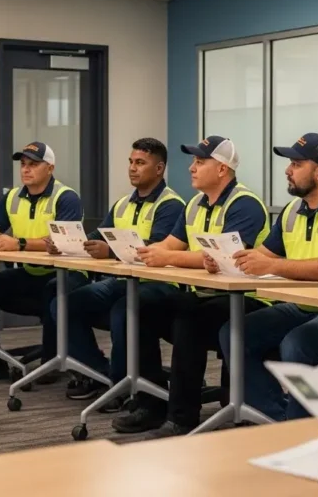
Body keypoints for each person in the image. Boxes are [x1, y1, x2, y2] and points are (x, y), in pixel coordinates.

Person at [110, 136, 270, 437]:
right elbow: (170, 244)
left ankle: (182, 418)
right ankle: (152, 402)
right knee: (139, 307)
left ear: (222, 169)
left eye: (200, 162)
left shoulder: (245, 205)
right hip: (205, 294)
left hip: (249, 299)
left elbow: (227, 258)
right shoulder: (195, 204)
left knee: (190, 321)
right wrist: (141, 253)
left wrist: (166, 256)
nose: (191, 168)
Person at [220, 133, 318, 422]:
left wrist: (274, 266)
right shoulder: (293, 210)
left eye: (296, 164)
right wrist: (226, 260)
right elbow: (264, 255)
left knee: (300, 342)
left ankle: (302, 428)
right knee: (235, 332)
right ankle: (277, 419)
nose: (287, 170)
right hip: (304, 305)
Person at [0, 142, 88, 383]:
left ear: (50, 168)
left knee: (54, 289)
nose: (25, 169)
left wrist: (19, 243)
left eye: (33, 164)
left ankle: (51, 362)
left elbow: (62, 241)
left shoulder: (67, 198)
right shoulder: (12, 197)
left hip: (68, 275)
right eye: (23, 164)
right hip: (34, 274)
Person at [59, 138, 184, 404]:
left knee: (123, 309)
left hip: (158, 285)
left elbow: (157, 249)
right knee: (68, 304)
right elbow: (98, 235)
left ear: (159, 168)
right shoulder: (122, 204)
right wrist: (67, 243)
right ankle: (99, 374)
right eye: (130, 162)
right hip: (123, 281)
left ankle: (121, 387)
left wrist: (109, 251)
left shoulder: (171, 205)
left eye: (140, 163)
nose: (132, 168)